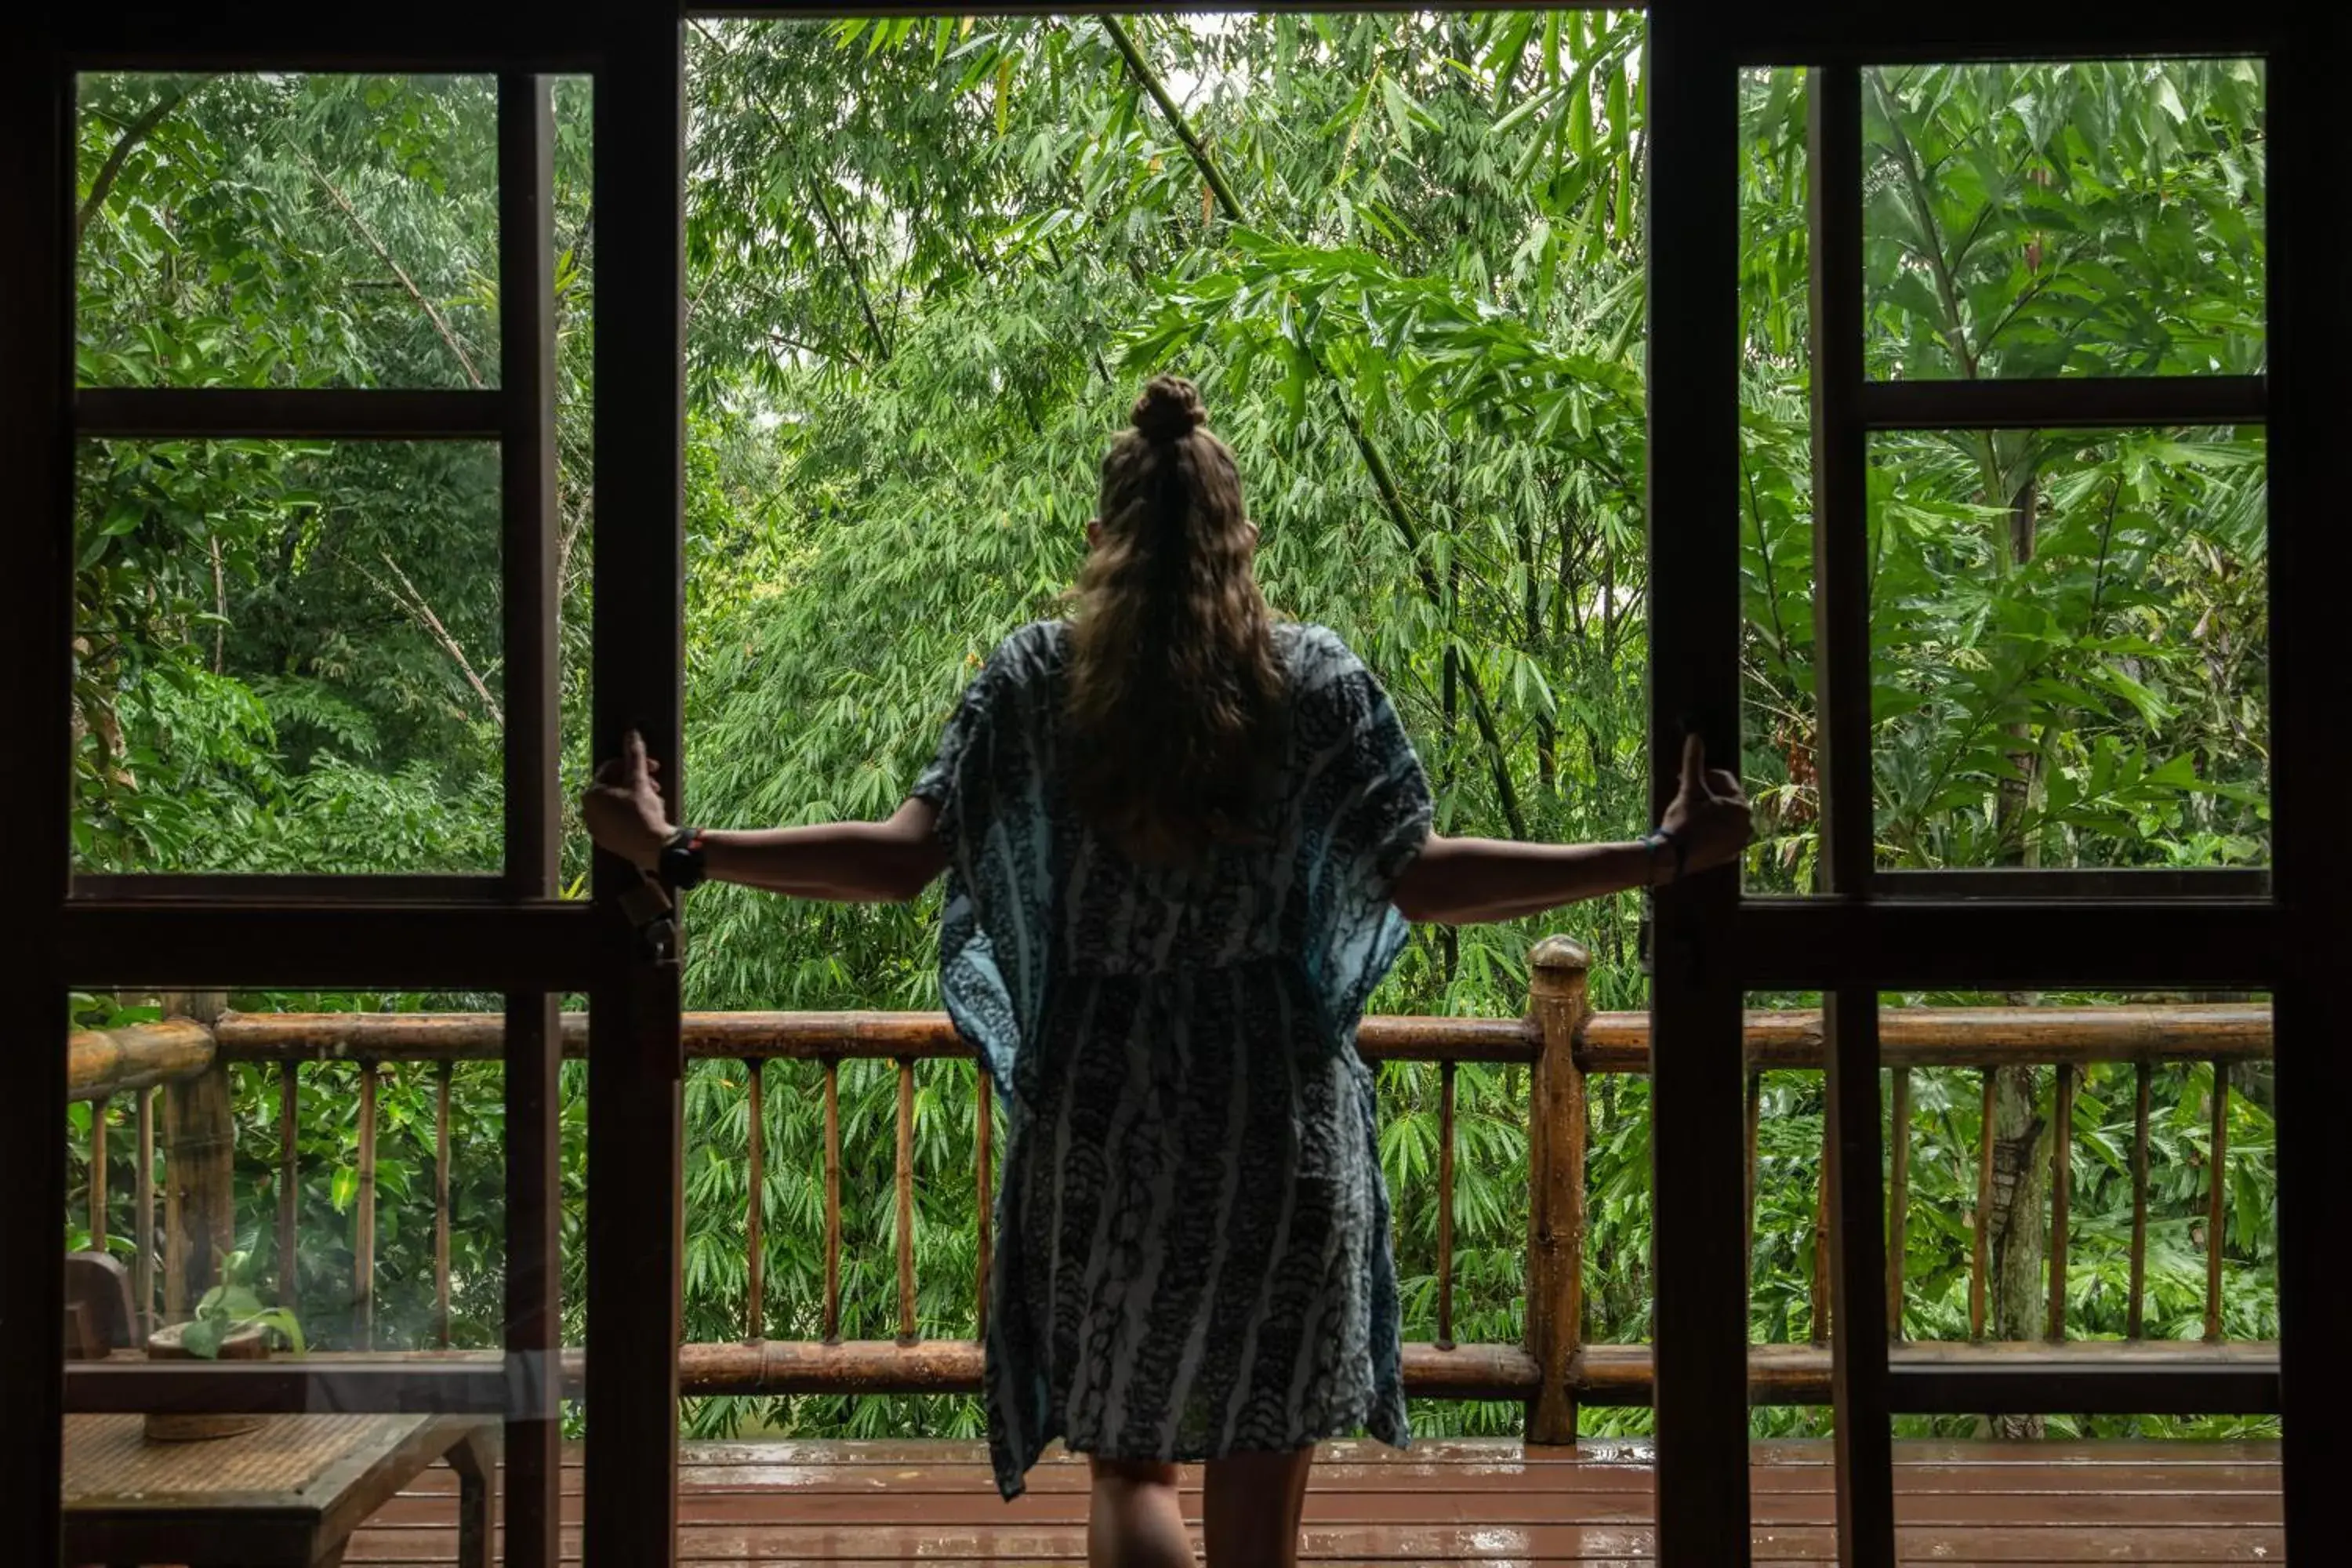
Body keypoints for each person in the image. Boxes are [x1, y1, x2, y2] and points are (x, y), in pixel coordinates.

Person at [582, 374, 1752, 1567]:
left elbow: (898, 861)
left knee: (1132, 1468)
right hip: (1275, 1117)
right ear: (1244, 545)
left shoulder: (1032, 684)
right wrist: (1659, 856)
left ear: (1098, 546)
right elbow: (1428, 876)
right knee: (1259, 1504)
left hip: (1104, 1114)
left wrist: (678, 850)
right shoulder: (1320, 684)